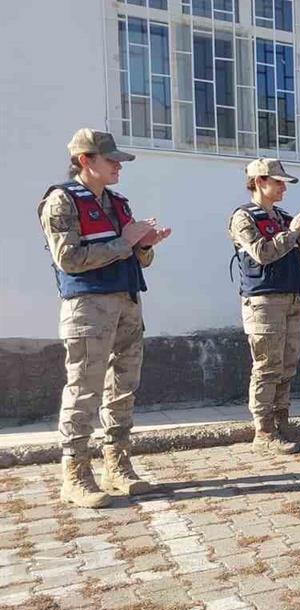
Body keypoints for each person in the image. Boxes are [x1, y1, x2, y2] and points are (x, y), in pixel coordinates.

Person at [38, 128, 171, 507]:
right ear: (85, 161)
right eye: (110, 160)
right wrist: (126, 242)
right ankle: (76, 474)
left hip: (127, 302)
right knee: (84, 388)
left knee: (123, 387)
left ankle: (118, 464)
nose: (118, 166)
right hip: (88, 307)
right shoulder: (60, 201)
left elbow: (134, 257)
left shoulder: (118, 203)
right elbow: (69, 259)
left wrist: (145, 246)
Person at [229, 158, 300, 455]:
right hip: (264, 300)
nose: (283, 188)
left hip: (292, 296)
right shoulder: (244, 217)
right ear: (258, 182)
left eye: (284, 183)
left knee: (288, 364)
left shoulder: (282, 216)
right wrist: (292, 233)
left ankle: (282, 422)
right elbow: (262, 252)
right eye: (277, 182)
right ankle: (264, 430)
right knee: (267, 365)